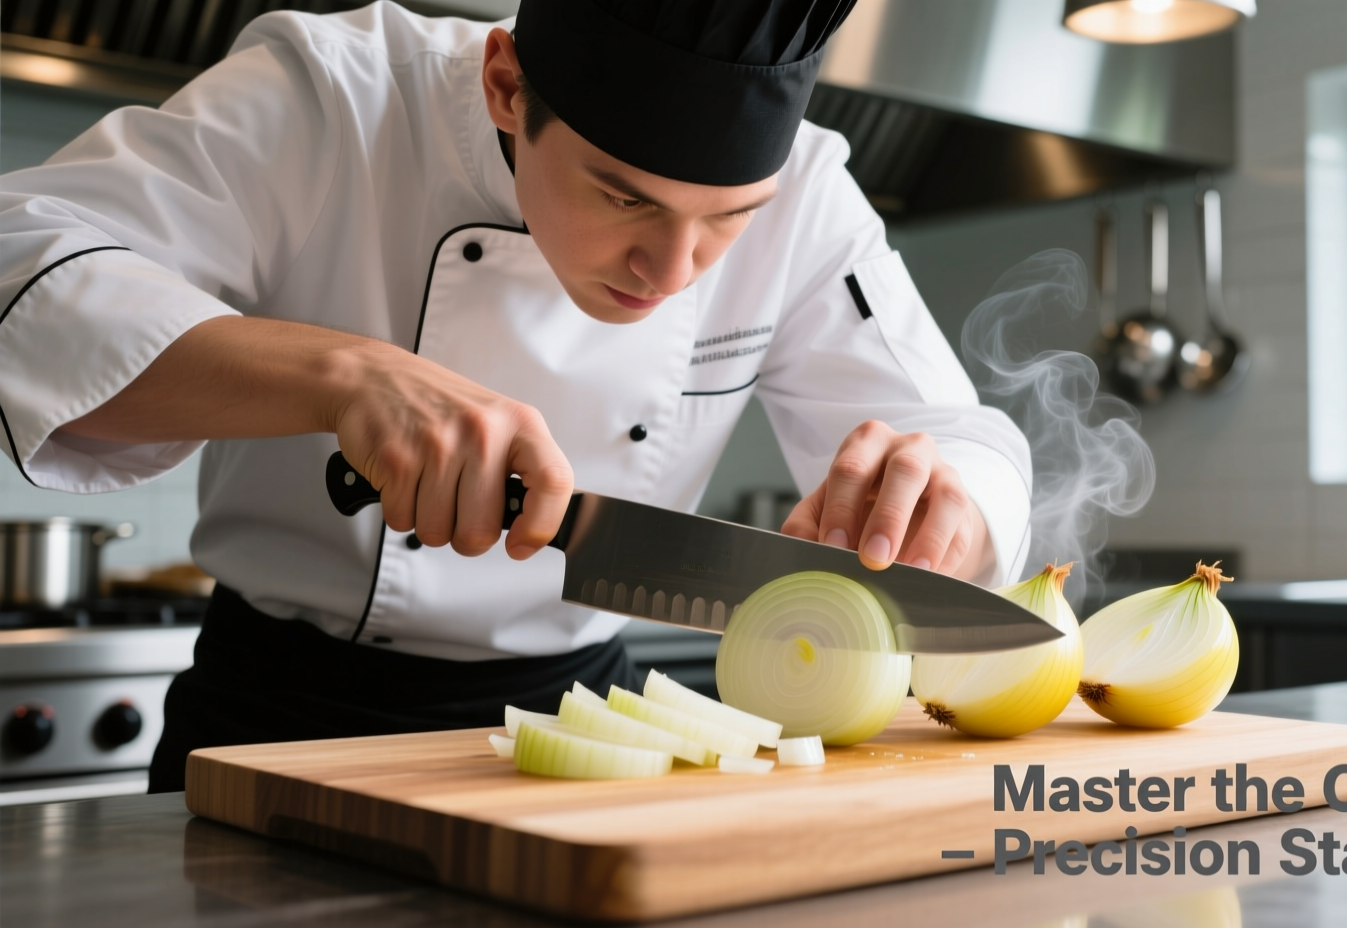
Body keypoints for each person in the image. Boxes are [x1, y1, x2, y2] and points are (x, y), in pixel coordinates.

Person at [0, 0, 1032, 793]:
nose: (674, 268)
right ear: (505, 85)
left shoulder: (805, 197)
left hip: (589, 737)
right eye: (621, 195)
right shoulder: (332, 97)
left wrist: (945, 504)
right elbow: (25, 268)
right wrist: (344, 375)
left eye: (729, 218)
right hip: (278, 721)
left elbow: (954, 432)